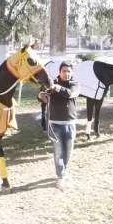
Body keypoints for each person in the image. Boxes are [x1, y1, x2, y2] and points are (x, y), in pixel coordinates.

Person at [38, 61, 80, 189]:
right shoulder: (50, 84)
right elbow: (41, 97)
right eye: (64, 71)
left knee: (68, 151)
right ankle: (61, 175)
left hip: (70, 124)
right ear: (59, 72)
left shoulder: (75, 85)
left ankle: (63, 170)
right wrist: (41, 95)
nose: (66, 73)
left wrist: (57, 87)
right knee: (58, 151)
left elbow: (70, 94)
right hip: (54, 124)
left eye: (69, 71)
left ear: (71, 73)